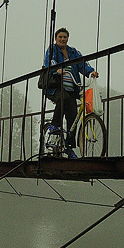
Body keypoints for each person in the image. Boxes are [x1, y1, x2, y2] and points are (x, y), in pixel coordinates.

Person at [41, 27, 99, 158]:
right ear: (56, 38)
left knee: (72, 119)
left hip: (71, 89)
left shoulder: (73, 52)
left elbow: (82, 65)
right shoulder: (52, 50)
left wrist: (91, 72)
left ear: (68, 38)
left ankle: (69, 147)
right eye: (60, 37)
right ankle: (54, 126)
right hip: (55, 87)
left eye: (65, 37)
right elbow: (50, 62)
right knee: (63, 98)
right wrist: (57, 70)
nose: (62, 39)